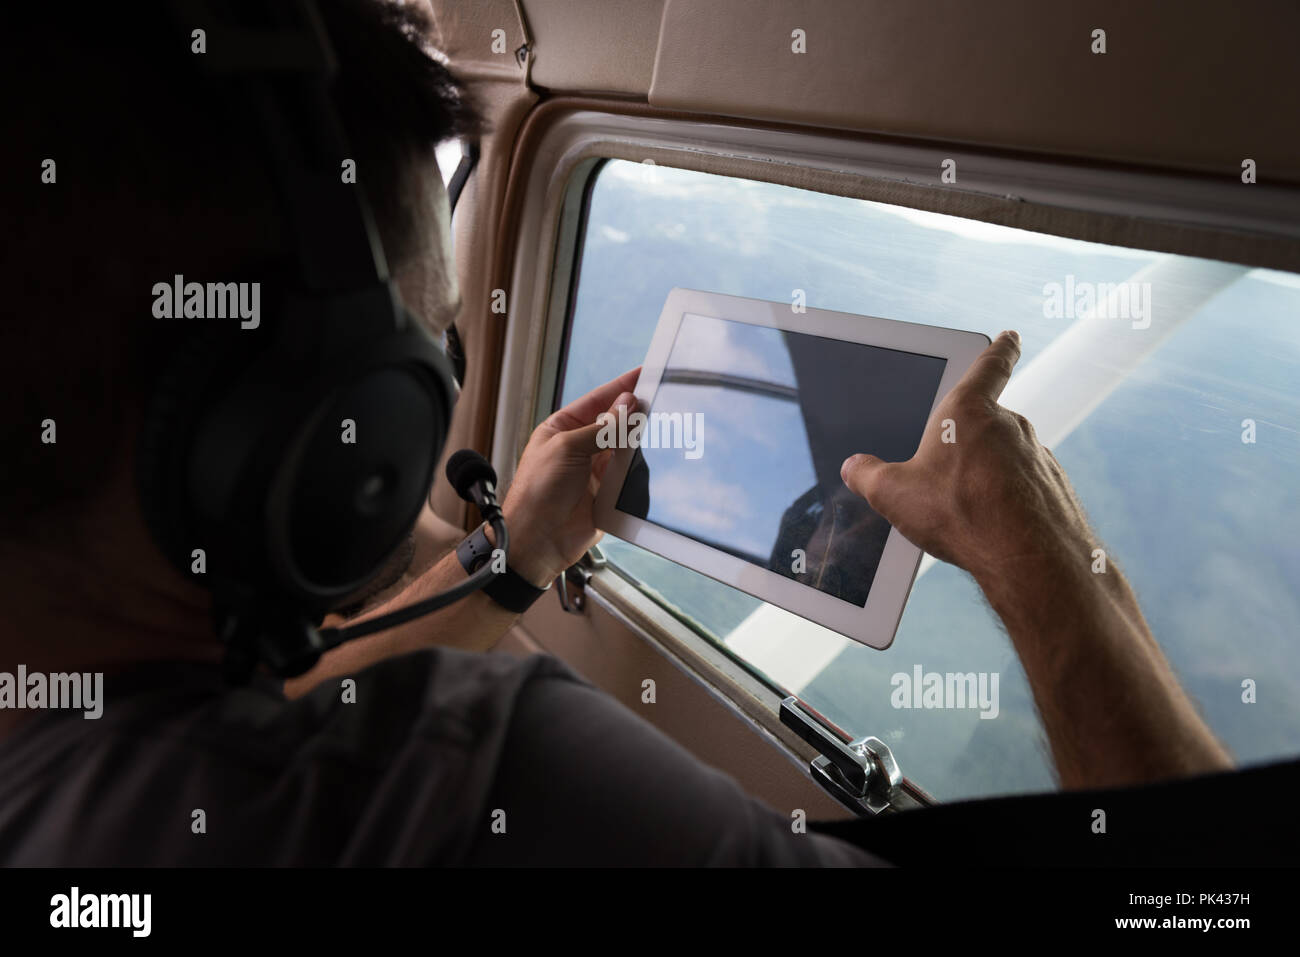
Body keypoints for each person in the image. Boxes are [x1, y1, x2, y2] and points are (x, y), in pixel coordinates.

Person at [0, 1, 1278, 867]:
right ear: (328, 433)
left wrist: (517, 556)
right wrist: (1054, 568)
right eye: (428, 355)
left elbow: (256, 704)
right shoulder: (459, 788)